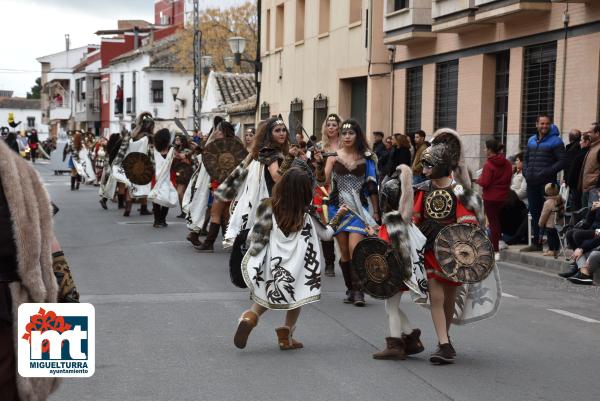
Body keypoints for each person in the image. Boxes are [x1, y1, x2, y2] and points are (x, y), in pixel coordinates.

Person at [0, 139, 79, 400]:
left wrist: (66, 297)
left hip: (13, 307)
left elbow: (47, 239)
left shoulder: (21, 175)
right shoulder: (21, 173)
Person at [233, 168, 346, 350]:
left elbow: (253, 237)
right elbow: (326, 235)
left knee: (265, 297)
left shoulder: (267, 207)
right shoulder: (306, 214)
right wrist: (339, 216)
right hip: (298, 267)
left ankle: (249, 317)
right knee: (296, 298)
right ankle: (286, 335)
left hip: (272, 264)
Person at [412, 128, 483, 364]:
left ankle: (446, 337)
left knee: (450, 296)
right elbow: (415, 217)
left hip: (454, 252)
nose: (424, 170)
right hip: (430, 249)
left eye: (429, 165)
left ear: (442, 164)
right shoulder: (423, 189)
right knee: (436, 296)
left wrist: (465, 231)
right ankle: (443, 343)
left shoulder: (459, 190)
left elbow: (468, 219)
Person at [314, 119, 380, 307]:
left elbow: (372, 185)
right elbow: (322, 181)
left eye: (351, 133)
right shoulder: (333, 157)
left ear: (357, 135)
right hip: (338, 209)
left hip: (359, 209)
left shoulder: (367, 157)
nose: (347, 136)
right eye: (344, 133)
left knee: (355, 248)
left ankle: (359, 292)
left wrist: (376, 212)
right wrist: (319, 164)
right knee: (344, 252)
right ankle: (351, 289)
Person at [215, 117, 297, 249]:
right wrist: (290, 158)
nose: (282, 133)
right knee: (269, 240)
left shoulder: (279, 151)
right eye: (277, 130)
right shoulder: (269, 152)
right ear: (269, 134)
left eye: (283, 130)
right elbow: (276, 177)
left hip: (280, 198)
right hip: (272, 200)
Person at [372, 165, 427, 360]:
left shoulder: (393, 224)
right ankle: (412, 338)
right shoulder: (402, 221)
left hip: (395, 272)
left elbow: (386, 250)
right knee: (390, 307)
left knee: (392, 307)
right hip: (402, 270)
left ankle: (395, 343)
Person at [194, 121, 243, 252]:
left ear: (224, 132)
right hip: (232, 185)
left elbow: (206, 155)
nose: (217, 133)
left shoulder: (221, 145)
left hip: (224, 184)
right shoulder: (237, 142)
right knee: (227, 216)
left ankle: (209, 244)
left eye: (219, 131)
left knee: (215, 214)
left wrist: (211, 138)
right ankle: (234, 243)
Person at [521, 115, 567, 252]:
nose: (544, 126)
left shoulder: (556, 141)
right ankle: (537, 243)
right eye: (542, 123)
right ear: (536, 124)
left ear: (550, 125)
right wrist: (526, 172)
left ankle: (553, 247)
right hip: (532, 183)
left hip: (548, 185)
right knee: (535, 213)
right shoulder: (531, 140)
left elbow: (563, 161)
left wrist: (546, 172)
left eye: (547, 124)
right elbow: (526, 158)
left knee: (550, 214)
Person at [313, 114, 341, 277]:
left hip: (342, 188)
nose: (331, 127)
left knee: (342, 225)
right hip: (323, 191)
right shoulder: (319, 147)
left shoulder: (346, 145)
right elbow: (315, 173)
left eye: (334, 124)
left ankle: (345, 259)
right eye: (328, 124)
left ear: (339, 127)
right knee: (326, 227)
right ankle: (329, 263)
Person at [477, 139, 512, 252]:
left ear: (490, 150)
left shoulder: (489, 164)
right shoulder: (507, 163)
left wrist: (478, 180)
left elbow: (485, 182)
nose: (484, 150)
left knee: (493, 223)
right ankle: (498, 243)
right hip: (504, 196)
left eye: (485, 148)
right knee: (498, 221)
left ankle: (495, 247)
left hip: (490, 198)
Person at [149, 129, 179, 228]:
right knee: (164, 197)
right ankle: (160, 219)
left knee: (159, 197)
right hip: (167, 176)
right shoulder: (171, 150)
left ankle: (158, 220)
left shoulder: (154, 150)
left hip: (158, 176)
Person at [501, 153, 529, 246]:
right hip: (511, 200)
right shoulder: (515, 173)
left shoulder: (524, 174)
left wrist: (510, 195)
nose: (515, 162)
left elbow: (523, 191)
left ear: (523, 162)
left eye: (517, 160)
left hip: (520, 202)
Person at [577, 122, 600, 208]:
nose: (588, 134)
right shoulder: (593, 147)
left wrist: (596, 186)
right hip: (587, 188)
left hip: (593, 189)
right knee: (586, 217)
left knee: (592, 219)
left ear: (597, 133)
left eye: (590, 132)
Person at [538, 183, 564, 258]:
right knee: (556, 236)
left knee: (551, 237)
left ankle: (552, 250)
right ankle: (557, 249)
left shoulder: (548, 203)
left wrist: (541, 223)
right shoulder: (561, 200)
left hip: (551, 224)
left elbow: (544, 215)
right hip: (559, 223)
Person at [567, 133, 591, 211]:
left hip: (577, 187)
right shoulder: (585, 153)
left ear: (587, 142)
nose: (580, 142)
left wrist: (569, 182)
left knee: (577, 210)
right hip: (581, 186)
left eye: (581, 140)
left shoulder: (581, 155)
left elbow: (574, 172)